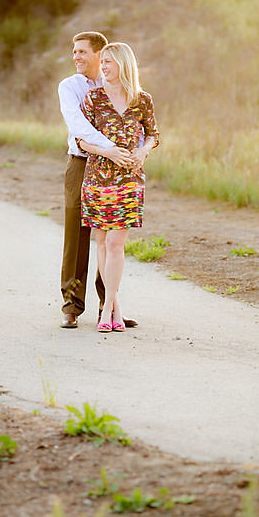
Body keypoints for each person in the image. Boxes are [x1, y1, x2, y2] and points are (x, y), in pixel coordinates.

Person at [76, 42, 159, 332]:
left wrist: (143, 152)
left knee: (115, 243)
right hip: (98, 179)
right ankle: (114, 309)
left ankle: (108, 308)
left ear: (124, 64)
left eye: (110, 62)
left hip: (129, 180)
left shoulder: (141, 100)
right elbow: (80, 140)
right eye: (104, 62)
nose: (105, 67)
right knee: (101, 242)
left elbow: (153, 135)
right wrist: (108, 152)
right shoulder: (93, 98)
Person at [58, 31, 138, 329]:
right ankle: (71, 306)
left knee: (109, 237)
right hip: (81, 163)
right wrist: (109, 148)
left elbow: (135, 122)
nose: (76, 57)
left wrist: (132, 151)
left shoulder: (115, 84)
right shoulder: (69, 87)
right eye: (74, 51)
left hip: (112, 167)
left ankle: (110, 305)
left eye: (82, 52)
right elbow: (77, 125)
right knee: (77, 235)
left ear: (99, 53)